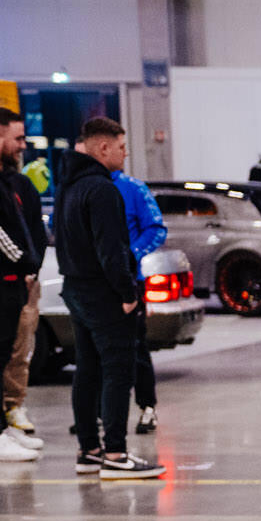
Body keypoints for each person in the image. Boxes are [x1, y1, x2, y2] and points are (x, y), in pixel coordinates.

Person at [55, 117, 161, 478]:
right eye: (121, 146)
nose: (125, 153)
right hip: (103, 294)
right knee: (118, 370)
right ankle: (115, 454)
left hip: (76, 290)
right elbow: (111, 251)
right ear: (103, 148)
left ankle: (89, 451)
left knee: (87, 369)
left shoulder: (68, 187)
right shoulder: (102, 190)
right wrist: (128, 292)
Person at [0, 106, 41, 462]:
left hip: (10, 282)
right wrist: (24, 260)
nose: (22, 146)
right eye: (18, 138)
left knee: (2, 357)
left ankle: (1, 427)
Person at [0, 122, 48, 443]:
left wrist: (32, 271)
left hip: (24, 283)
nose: (23, 147)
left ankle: (13, 405)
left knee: (20, 347)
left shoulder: (22, 186)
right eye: (18, 139)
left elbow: (35, 234)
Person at [111, 168, 166, 435]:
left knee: (136, 347)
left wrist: (130, 255)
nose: (124, 153)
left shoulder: (133, 188)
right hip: (95, 283)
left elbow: (156, 229)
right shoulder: (79, 186)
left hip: (129, 280)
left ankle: (147, 406)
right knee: (92, 351)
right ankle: (96, 413)